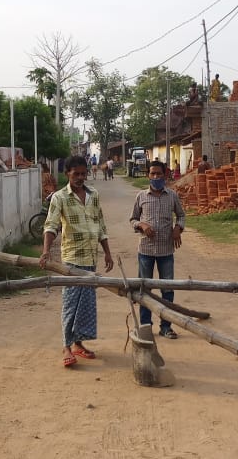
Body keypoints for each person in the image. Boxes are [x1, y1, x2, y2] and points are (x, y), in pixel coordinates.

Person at [39, 155, 114, 368]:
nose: (81, 177)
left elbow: (101, 225)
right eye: (76, 174)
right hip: (72, 260)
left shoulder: (94, 195)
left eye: (83, 173)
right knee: (70, 305)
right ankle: (66, 347)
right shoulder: (60, 198)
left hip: (91, 258)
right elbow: (51, 226)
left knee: (86, 306)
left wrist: (107, 252)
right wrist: (46, 251)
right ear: (67, 174)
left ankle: (79, 344)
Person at [130, 160, 186, 339]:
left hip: (166, 251)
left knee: (167, 289)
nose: (155, 177)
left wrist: (178, 228)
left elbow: (181, 215)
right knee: (144, 289)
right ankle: (146, 327)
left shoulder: (172, 196)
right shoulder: (141, 196)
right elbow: (132, 219)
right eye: (152, 174)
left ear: (165, 174)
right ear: (148, 175)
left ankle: (166, 326)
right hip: (145, 250)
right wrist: (142, 225)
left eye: (159, 174)